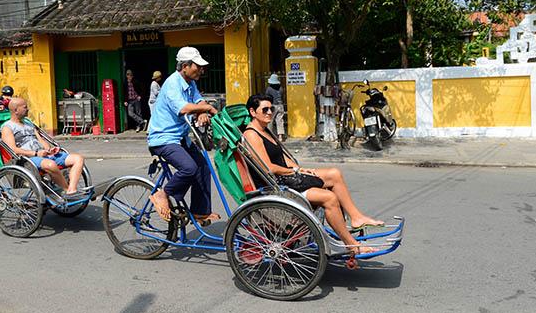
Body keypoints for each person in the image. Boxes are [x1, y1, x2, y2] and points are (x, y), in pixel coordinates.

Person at [242, 94, 384, 254]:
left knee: (334, 173)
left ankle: (356, 217)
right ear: (253, 112)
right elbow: (269, 167)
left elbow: (283, 159)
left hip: (287, 178)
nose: (269, 112)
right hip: (278, 186)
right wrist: (294, 171)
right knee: (330, 198)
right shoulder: (252, 134)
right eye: (265, 109)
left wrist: (300, 169)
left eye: (271, 109)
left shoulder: (266, 130)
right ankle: (352, 245)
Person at [146, 47, 219, 223]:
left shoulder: (190, 83)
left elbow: (197, 100)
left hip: (181, 138)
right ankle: (162, 194)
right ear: (185, 66)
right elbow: (183, 108)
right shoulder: (172, 83)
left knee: (203, 166)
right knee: (189, 168)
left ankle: (200, 212)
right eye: (197, 66)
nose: (201, 70)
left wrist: (201, 110)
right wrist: (207, 108)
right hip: (163, 139)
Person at [1, 97, 86, 196]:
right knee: (51, 165)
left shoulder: (28, 123)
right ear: (16, 110)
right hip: (27, 159)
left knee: (78, 159)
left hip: (44, 155)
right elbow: (13, 150)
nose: (28, 109)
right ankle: (66, 189)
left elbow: (41, 140)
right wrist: (36, 153)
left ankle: (72, 189)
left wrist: (50, 150)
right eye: (25, 107)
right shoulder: (7, 127)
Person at [263, 73, 285, 140]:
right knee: (280, 120)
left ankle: (270, 135)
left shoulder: (269, 89)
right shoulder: (280, 88)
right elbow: (282, 96)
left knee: (270, 120)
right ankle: (280, 136)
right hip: (280, 105)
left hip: (273, 106)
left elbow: (266, 97)